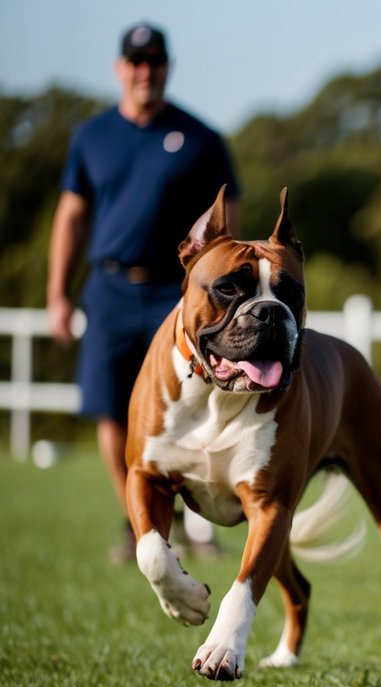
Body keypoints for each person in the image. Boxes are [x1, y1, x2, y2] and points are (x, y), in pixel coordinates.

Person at [46, 23, 241, 562]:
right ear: (119, 68)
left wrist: (231, 297)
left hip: (175, 295)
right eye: (134, 61)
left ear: (166, 67)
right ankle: (144, 527)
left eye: (154, 61)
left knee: (201, 400)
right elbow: (71, 217)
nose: (144, 71)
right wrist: (57, 295)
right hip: (108, 288)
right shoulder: (91, 137)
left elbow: (229, 225)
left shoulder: (200, 139)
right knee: (112, 411)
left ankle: (200, 520)